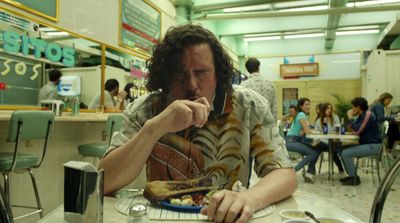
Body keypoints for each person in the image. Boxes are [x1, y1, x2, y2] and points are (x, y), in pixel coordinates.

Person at [98, 24, 296, 223]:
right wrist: (154, 128)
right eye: (179, 74)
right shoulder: (145, 109)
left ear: (218, 73)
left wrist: (250, 198)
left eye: (201, 72)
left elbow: (285, 175)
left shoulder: (248, 105)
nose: (192, 84)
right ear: (166, 76)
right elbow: (104, 182)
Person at [340, 97, 381, 186]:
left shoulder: (368, 114)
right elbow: (354, 130)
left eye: (353, 107)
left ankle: (354, 178)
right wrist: (352, 123)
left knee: (346, 153)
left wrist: (350, 117)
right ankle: (351, 174)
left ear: (358, 107)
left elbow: (357, 130)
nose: (352, 109)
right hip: (367, 144)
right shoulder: (361, 116)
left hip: (373, 146)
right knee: (341, 149)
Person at [285, 98, 320, 183]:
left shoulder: (301, 115)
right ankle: (294, 170)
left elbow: (303, 132)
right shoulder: (301, 114)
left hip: (294, 140)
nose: (308, 106)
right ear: (301, 106)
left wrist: (306, 130)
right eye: (306, 104)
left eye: (309, 104)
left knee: (315, 150)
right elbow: (307, 131)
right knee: (313, 153)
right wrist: (316, 131)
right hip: (292, 141)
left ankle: (309, 173)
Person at [314, 102, 344, 173]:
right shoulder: (319, 121)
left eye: (330, 108)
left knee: (329, 148)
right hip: (324, 142)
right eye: (327, 108)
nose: (329, 110)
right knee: (318, 149)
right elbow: (316, 133)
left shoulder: (335, 118)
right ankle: (341, 169)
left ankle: (311, 170)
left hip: (335, 141)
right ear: (323, 110)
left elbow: (338, 131)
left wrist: (336, 138)